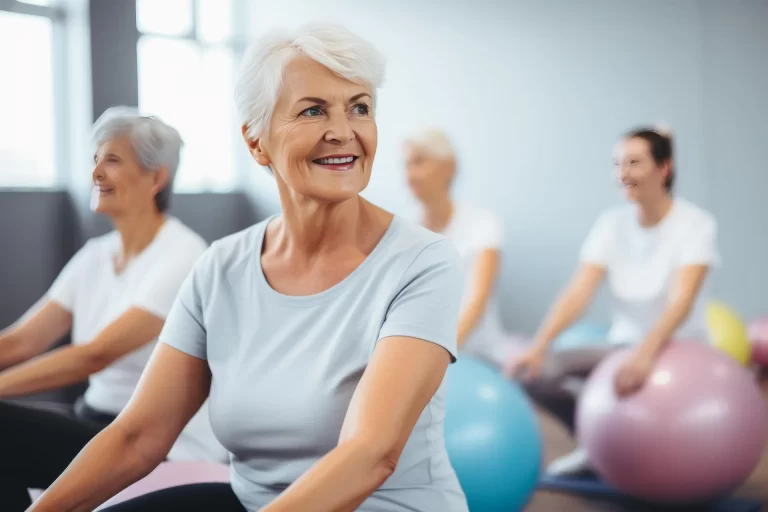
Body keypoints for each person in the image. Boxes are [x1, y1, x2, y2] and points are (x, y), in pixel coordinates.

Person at [30, 23, 469, 512]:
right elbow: (138, 436)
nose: (343, 131)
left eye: (360, 107)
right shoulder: (220, 267)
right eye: (313, 110)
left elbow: (370, 454)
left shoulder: (422, 263)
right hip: (252, 501)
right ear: (256, 142)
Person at [0, 107, 227, 511]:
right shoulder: (95, 256)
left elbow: (95, 354)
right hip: (95, 419)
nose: (96, 173)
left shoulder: (184, 255)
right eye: (94, 160)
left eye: (113, 160)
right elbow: (23, 339)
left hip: (156, 441)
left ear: (155, 177)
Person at [507, 126, 719, 476]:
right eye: (617, 163)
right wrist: (539, 345)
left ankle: (665, 460)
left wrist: (645, 355)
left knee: (643, 387)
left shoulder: (696, 225)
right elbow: (579, 292)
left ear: (664, 168)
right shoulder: (611, 225)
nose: (622, 173)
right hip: (623, 346)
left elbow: (681, 302)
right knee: (534, 374)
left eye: (634, 162)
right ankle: (594, 443)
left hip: (681, 350)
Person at [404, 129, 517, 367]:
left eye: (419, 162)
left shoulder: (483, 224)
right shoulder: (403, 232)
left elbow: (478, 300)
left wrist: (439, 355)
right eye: (406, 165)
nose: (409, 175)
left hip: (477, 357)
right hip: (418, 356)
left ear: (448, 167)